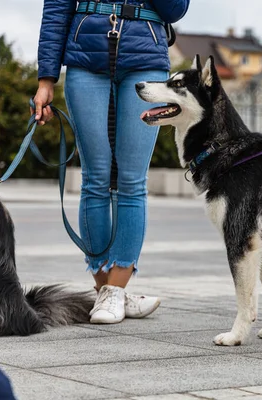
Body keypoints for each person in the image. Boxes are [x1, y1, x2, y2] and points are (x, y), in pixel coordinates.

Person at [33, 0, 190, 324]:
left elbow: (176, 10)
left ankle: (115, 290)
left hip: (145, 57)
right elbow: (56, 10)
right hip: (85, 57)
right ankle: (108, 289)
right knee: (95, 177)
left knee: (132, 180)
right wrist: (46, 78)